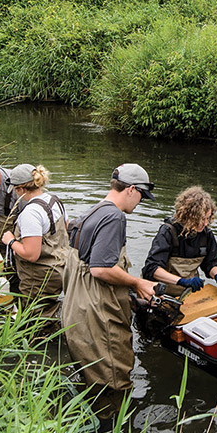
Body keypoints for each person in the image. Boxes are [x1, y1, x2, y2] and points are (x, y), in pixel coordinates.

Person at [60, 162, 160, 401]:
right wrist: (138, 283)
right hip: (97, 312)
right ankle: (114, 431)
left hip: (77, 308)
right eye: (141, 197)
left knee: (91, 375)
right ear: (131, 189)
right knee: (113, 381)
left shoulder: (93, 212)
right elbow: (100, 269)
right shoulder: (115, 217)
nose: (140, 202)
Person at [0, 164, 68, 320]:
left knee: (35, 319)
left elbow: (31, 255)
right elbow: (65, 229)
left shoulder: (31, 213)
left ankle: (39, 341)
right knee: (49, 310)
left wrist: (10, 241)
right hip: (60, 268)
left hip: (39, 276)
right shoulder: (54, 200)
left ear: (20, 189)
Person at [142, 186, 217, 295]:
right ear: (189, 216)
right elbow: (151, 269)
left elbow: (211, 263)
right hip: (162, 293)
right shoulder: (168, 232)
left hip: (188, 294)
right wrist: (182, 281)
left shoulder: (206, 234)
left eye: (208, 218)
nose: (206, 223)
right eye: (202, 219)